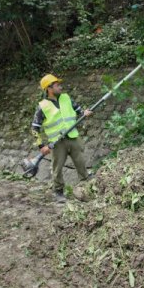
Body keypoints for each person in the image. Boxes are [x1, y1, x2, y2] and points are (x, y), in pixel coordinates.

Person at [31, 74, 94, 203]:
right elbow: (34, 128)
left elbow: (79, 110)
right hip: (57, 143)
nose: (60, 86)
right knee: (57, 167)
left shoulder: (66, 98)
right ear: (49, 88)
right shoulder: (42, 106)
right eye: (57, 85)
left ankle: (86, 186)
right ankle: (59, 192)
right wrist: (41, 146)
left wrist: (84, 113)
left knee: (81, 162)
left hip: (73, 137)